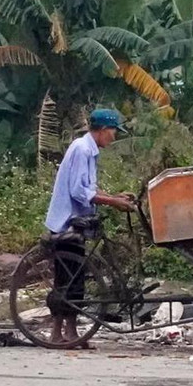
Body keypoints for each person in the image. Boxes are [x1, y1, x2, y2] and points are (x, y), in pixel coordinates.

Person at [43, 108, 137, 345]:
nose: (114, 137)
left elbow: (89, 187)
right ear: (103, 130)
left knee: (74, 278)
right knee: (69, 279)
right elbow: (78, 191)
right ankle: (60, 333)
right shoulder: (82, 149)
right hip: (67, 223)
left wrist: (114, 196)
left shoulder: (88, 150)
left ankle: (68, 332)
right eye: (113, 131)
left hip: (76, 221)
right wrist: (112, 202)